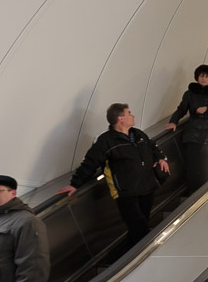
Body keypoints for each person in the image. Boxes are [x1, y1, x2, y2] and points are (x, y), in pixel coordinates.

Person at [59, 104, 170, 248]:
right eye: (129, 113)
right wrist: (75, 184)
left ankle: (120, 254)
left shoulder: (138, 134)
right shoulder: (106, 141)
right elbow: (90, 163)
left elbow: (152, 147)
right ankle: (150, 251)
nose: (133, 116)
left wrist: (160, 158)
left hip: (147, 187)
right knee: (138, 226)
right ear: (121, 119)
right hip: (126, 192)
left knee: (140, 224)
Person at [166, 64, 208, 191]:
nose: (204, 79)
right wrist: (173, 121)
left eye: (207, 76)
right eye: (201, 76)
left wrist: (207, 109)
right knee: (192, 165)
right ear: (197, 77)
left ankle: (204, 194)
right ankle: (192, 194)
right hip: (193, 133)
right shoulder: (189, 93)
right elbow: (181, 109)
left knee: (205, 165)